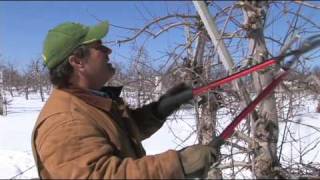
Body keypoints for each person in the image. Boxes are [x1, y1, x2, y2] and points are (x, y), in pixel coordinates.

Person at [31, 20, 220, 179]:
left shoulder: (89, 103)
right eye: (99, 47)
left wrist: (160, 109)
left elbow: (119, 134)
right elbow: (105, 175)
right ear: (77, 62)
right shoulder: (65, 121)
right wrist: (180, 164)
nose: (108, 51)